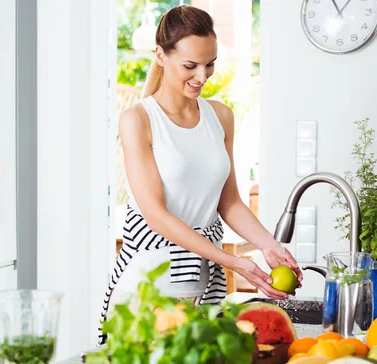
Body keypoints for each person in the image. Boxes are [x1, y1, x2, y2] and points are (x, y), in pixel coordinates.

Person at [99, 5, 301, 343]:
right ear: (161, 56)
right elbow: (156, 215)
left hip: (203, 283)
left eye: (210, 64)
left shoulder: (220, 116)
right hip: (151, 284)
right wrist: (231, 262)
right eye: (190, 66)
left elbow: (230, 201)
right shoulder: (138, 120)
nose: (203, 76)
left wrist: (269, 246)